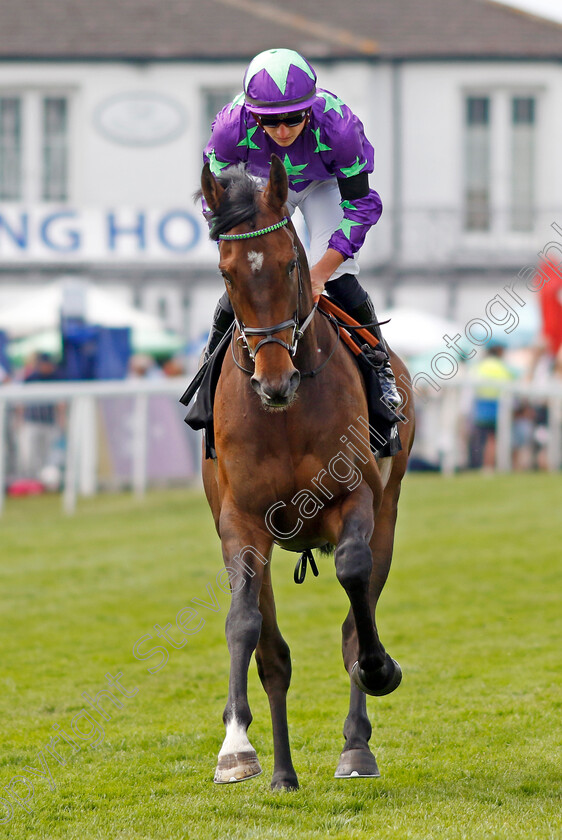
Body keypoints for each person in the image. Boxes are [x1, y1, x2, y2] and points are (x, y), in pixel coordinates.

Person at [201, 47, 400, 409]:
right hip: (263, 184)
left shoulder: (339, 127)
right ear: (252, 115)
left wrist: (320, 273)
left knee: (340, 275)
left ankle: (381, 371)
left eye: (293, 119)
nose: (281, 130)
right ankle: (207, 376)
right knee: (250, 274)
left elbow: (360, 206)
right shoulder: (231, 127)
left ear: (310, 107)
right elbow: (216, 202)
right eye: (269, 121)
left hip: (323, 185)